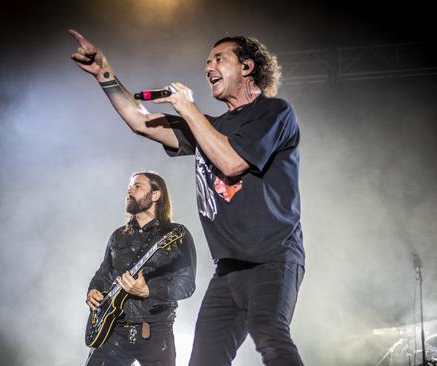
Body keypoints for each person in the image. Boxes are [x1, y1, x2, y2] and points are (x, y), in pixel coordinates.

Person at [70, 30, 305, 366]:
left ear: (248, 66)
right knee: (204, 359)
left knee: (269, 333)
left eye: (219, 59)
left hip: (274, 257)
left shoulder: (274, 113)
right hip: (229, 268)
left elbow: (231, 162)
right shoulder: (208, 126)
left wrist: (189, 107)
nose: (208, 66)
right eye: (207, 61)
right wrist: (103, 71)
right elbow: (140, 121)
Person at [85, 171, 197, 366]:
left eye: (137, 186)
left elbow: (187, 285)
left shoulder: (175, 234)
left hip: (155, 332)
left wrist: (149, 291)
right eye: (129, 186)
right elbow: (104, 272)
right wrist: (93, 289)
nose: (129, 190)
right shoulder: (118, 235)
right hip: (113, 329)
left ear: (155, 195)